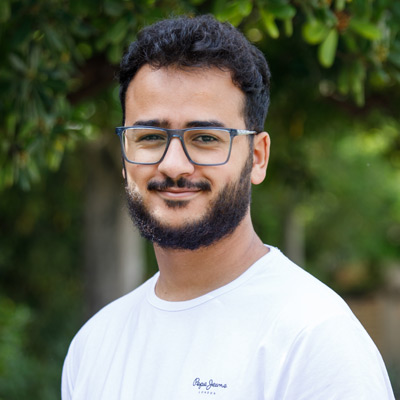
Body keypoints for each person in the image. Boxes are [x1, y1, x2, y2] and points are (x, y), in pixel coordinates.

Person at [62, 15, 395, 399]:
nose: (173, 165)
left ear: (257, 157)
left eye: (205, 137)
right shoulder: (93, 346)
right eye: (150, 136)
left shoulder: (315, 340)